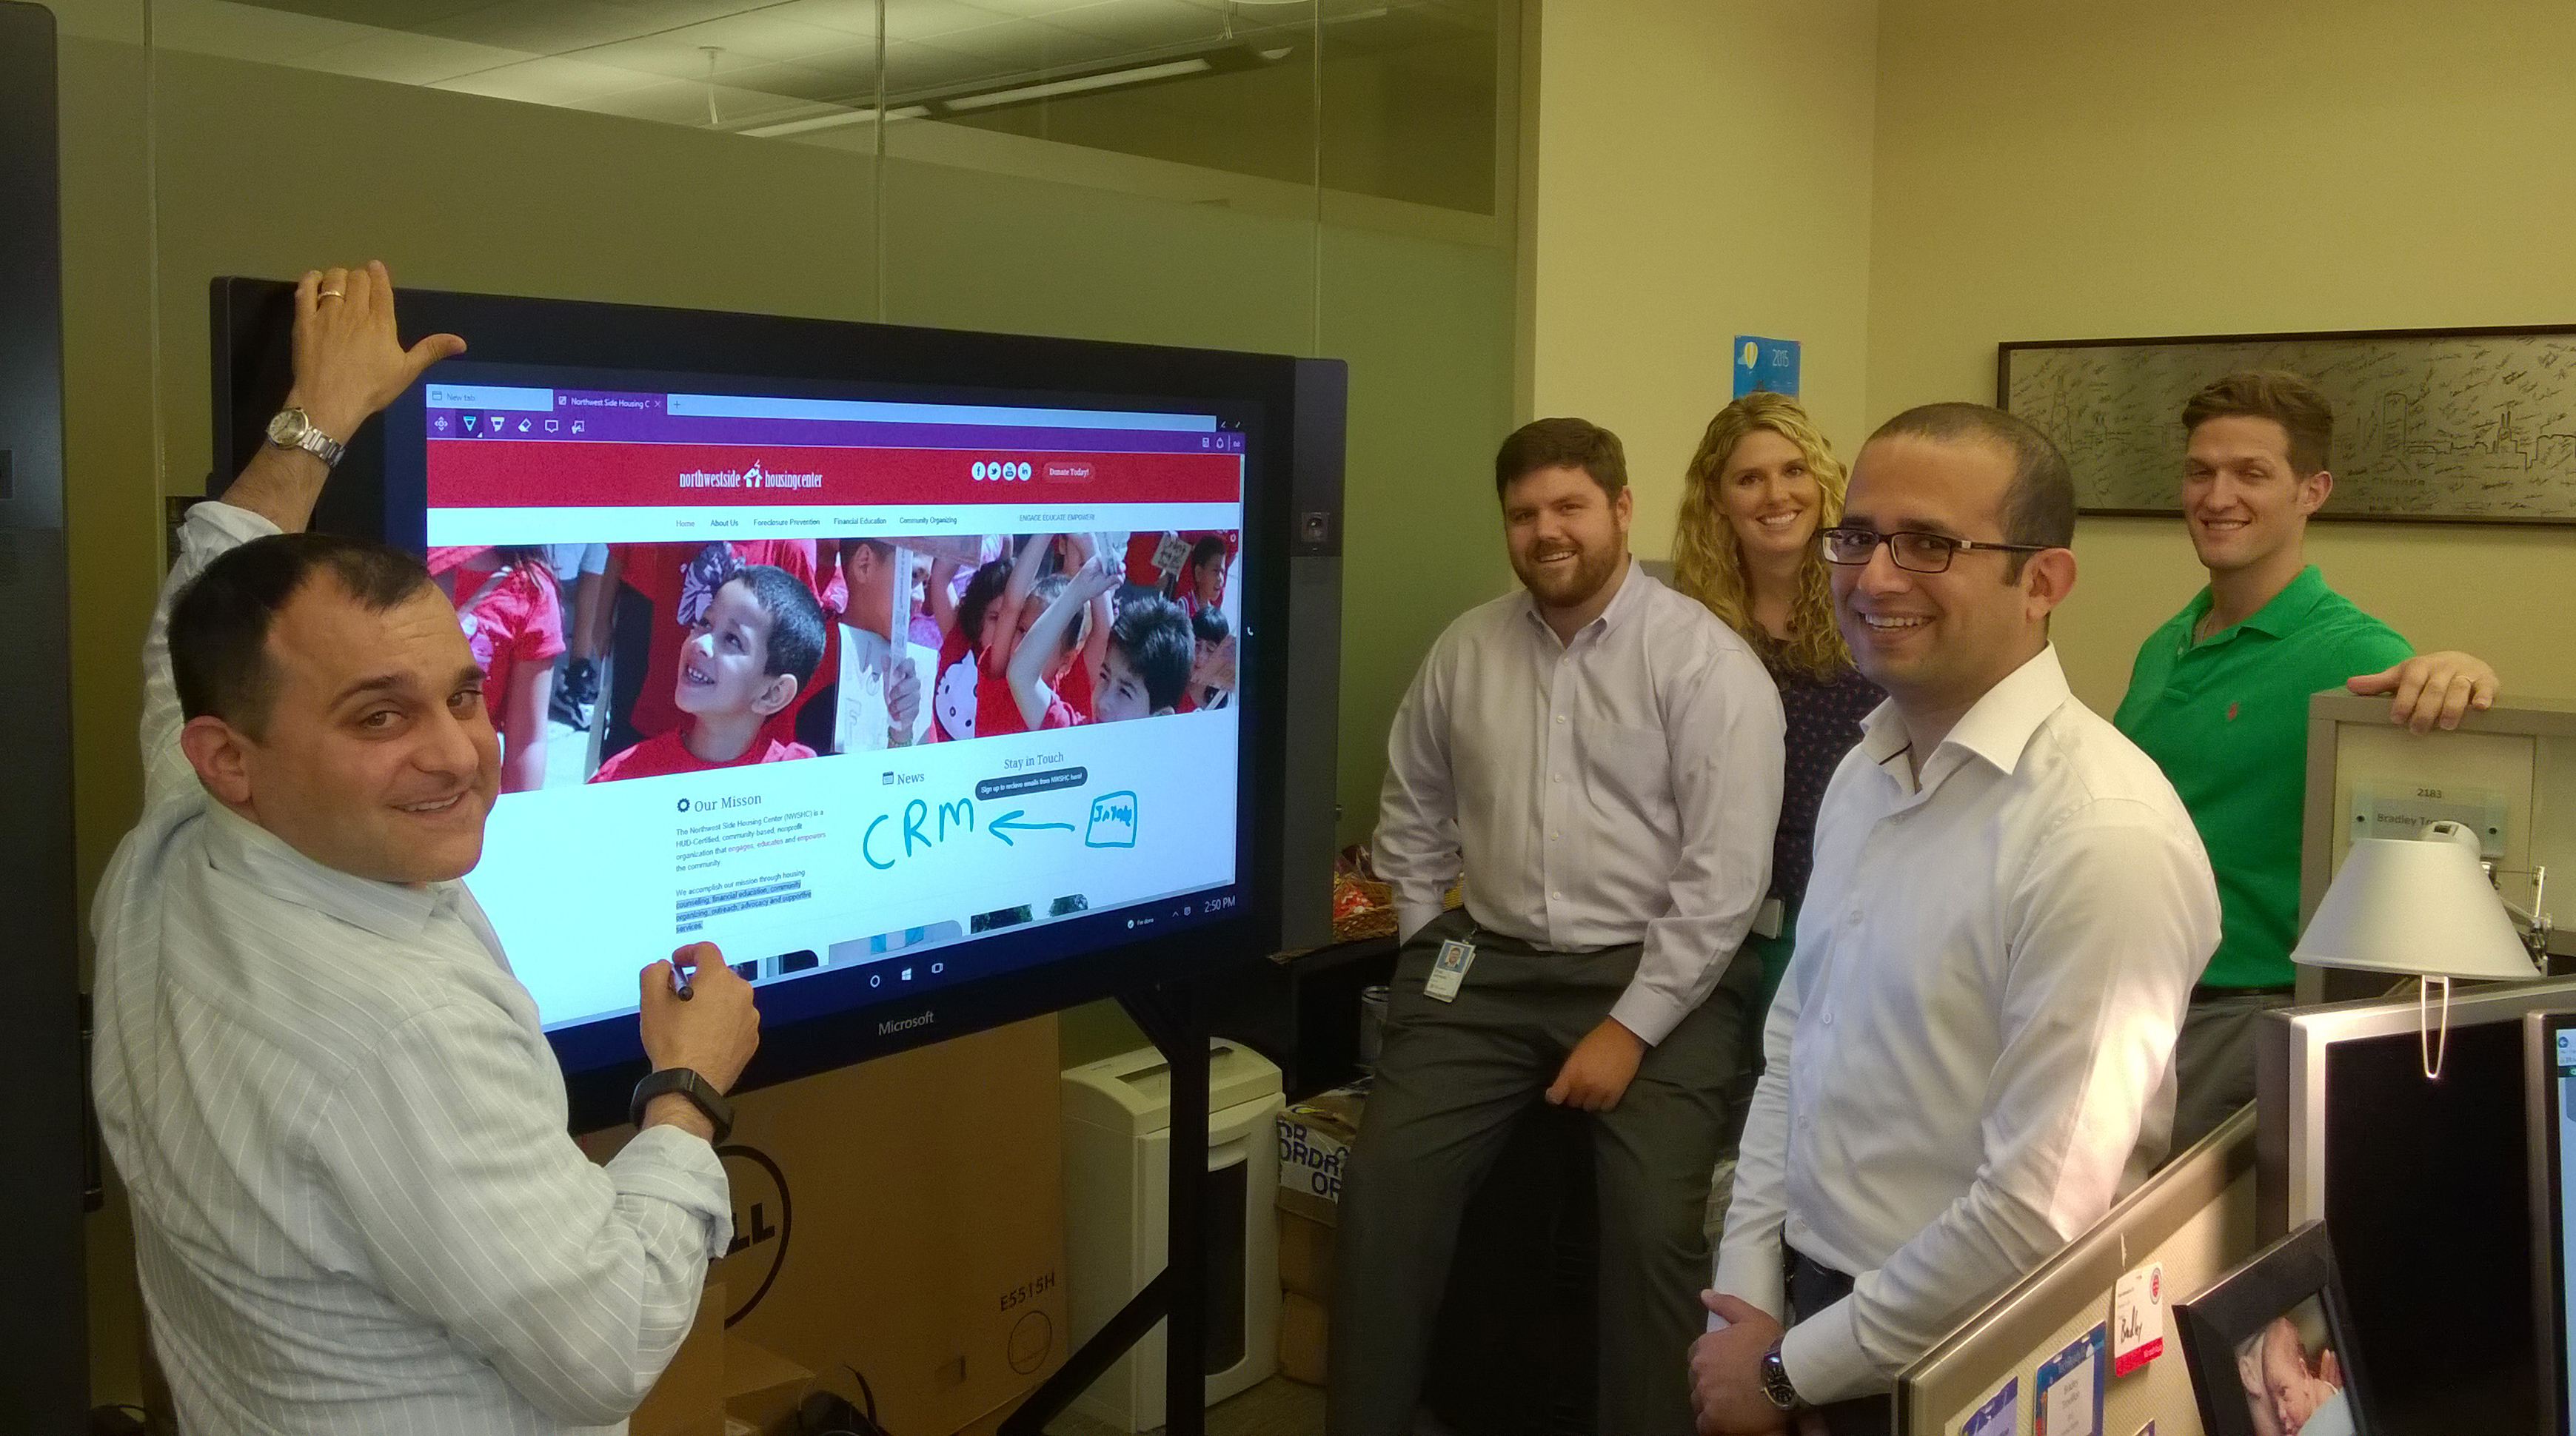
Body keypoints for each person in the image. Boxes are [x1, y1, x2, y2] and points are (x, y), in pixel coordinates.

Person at [90, 261, 761, 1435]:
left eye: (461, 695)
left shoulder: (182, 833)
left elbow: (196, 613)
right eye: (379, 717)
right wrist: (684, 1092)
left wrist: (315, 425)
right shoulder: (404, 1036)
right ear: (231, 756)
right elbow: (604, 1346)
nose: (461, 755)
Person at [1693, 403, 2219, 1435]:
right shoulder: (1862, 772)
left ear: (2043, 583)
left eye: (1929, 543)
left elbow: (2033, 1218)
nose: (1874, 576)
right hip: (1807, 1313)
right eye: (1857, 536)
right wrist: (1750, 1289)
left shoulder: (2098, 838)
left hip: (1973, 1364)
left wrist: (1785, 1373)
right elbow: (1796, 1043)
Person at [1333, 417, 1785, 1436]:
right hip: (1483, 967)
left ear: (1620, 511)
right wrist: (1419, 948)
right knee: (1382, 1192)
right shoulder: (1467, 650)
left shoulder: (1704, 667)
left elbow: (1721, 883)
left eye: (1569, 506)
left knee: (1647, 1228)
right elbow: (1410, 810)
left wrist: (1628, 1029)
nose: (1547, 531)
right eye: (1524, 513)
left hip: (1666, 974)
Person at [2110, 370, 2500, 1149]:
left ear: (2310, 490)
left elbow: (2435, 803)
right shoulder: (2166, 642)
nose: (2216, 495)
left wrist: (2462, 674)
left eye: (2250, 472)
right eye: (2199, 471)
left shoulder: (2358, 652)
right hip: (2132, 1002)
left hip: (2240, 1017)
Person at [1670, 392, 1883, 1016]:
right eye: (1748, 479)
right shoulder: (1686, 627)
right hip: (1721, 930)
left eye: (1793, 471)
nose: (1776, 495)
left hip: (1853, 921)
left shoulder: (1870, 604)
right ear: (1716, 499)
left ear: (1822, 483)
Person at [592, 563, 824, 781]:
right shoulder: (626, 775)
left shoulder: (795, 781)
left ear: (772, 694)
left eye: (732, 639)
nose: (700, 643)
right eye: (705, 623)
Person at [433, 544, 564, 794]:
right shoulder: (395, 557)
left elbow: (528, 740)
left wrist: (517, 821)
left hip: (468, 785)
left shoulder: (531, 590)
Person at [1092, 591, 1194, 722]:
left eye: (1125, 691)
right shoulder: (1079, 731)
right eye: (1104, 676)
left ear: (1160, 718)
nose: (1103, 703)